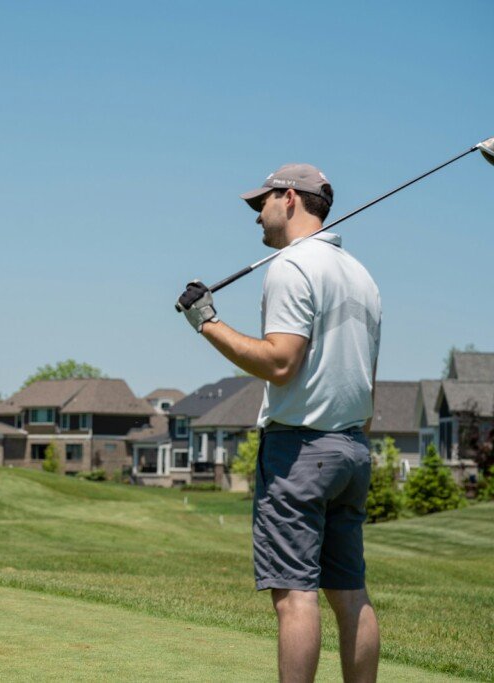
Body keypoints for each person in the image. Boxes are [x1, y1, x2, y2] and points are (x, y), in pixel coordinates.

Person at [176, 164, 382, 683]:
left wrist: (207, 322)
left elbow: (280, 362)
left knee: (295, 596)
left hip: (300, 453)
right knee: (350, 593)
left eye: (261, 203)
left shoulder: (291, 267)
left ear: (289, 198)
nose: (257, 217)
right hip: (352, 449)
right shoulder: (361, 276)